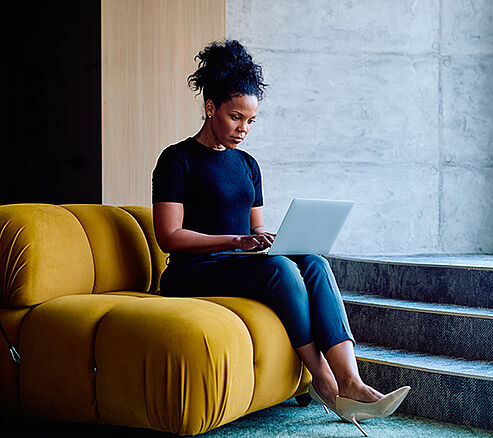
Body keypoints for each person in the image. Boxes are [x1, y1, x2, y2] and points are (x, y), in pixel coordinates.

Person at [151, 39, 408, 435]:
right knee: (281, 271)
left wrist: (263, 239)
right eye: (236, 117)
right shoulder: (177, 159)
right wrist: (233, 242)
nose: (244, 129)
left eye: (251, 121)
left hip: (236, 262)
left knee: (315, 263)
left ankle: (352, 382)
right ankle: (321, 379)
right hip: (192, 271)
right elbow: (169, 236)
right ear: (210, 108)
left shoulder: (249, 166)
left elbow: (254, 228)